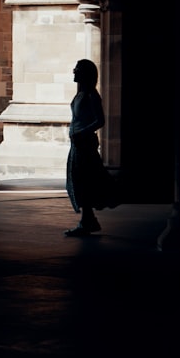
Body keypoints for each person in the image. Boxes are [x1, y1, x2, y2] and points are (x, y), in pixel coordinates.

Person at [64, 58, 118, 237]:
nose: (74, 71)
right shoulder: (80, 94)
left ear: (85, 73)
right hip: (77, 144)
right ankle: (88, 220)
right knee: (79, 181)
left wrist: (83, 132)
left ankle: (87, 221)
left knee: (86, 181)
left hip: (84, 144)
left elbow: (100, 120)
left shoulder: (91, 95)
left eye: (77, 69)